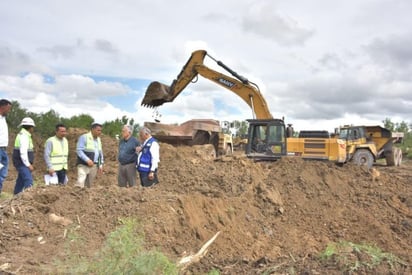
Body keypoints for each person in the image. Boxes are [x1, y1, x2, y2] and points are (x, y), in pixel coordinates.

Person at [75, 122, 104, 188]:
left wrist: (100, 165)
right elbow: (79, 150)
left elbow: (100, 153)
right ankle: (77, 195)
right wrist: (87, 160)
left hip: (94, 166)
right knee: (80, 182)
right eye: (98, 130)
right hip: (83, 165)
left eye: (101, 130)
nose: (100, 132)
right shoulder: (84, 137)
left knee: (89, 185)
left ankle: (85, 197)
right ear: (92, 129)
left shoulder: (99, 140)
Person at [12, 117, 36, 195]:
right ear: (30, 127)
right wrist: (28, 164)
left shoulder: (24, 135)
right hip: (22, 162)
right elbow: (23, 152)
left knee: (21, 180)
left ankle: (16, 196)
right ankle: (29, 199)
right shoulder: (24, 136)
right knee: (28, 180)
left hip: (22, 162)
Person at [0, 99, 12, 195]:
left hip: (3, 150)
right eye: (8, 108)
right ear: (3, 107)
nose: (9, 111)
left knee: (3, 173)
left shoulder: (3, 119)